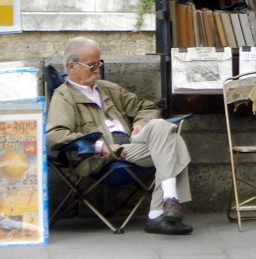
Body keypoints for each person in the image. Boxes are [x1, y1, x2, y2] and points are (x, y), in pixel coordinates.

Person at [46, 37, 193, 235]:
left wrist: (140, 123)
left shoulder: (107, 88)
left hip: (132, 144)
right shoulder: (63, 97)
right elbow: (55, 134)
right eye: (92, 65)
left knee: (159, 126)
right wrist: (100, 146)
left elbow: (146, 106)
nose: (97, 70)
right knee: (174, 142)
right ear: (72, 66)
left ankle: (167, 201)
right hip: (104, 154)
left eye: (99, 64)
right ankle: (158, 213)